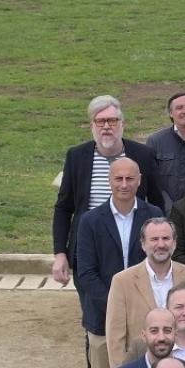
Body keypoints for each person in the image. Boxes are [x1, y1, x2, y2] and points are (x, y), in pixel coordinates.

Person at [75, 156, 165, 368]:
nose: (124, 185)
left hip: (150, 319)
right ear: (109, 182)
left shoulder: (154, 215)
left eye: (130, 179)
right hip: (103, 320)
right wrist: (117, 303)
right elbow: (85, 272)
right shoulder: (90, 221)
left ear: (140, 180)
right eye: (118, 179)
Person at [54, 94, 163, 294]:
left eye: (112, 121)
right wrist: (60, 253)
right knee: (95, 305)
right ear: (92, 125)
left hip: (134, 246)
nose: (106, 126)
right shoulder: (76, 156)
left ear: (122, 124)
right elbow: (63, 208)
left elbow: (157, 203)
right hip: (89, 245)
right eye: (100, 121)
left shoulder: (143, 155)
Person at [104, 218, 185, 368]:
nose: (161, 244)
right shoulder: (122, 281)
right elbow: (115, 338)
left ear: (174, 242)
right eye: (154, 239)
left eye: (166, 238)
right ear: (143, 244)